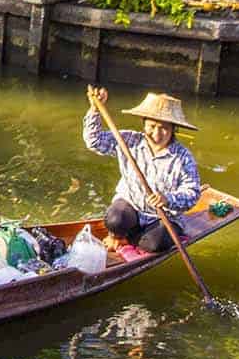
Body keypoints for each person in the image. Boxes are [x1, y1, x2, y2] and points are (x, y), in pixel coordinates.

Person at [83, 86, 201, 262]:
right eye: (151, 126)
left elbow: (192, 193)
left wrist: (168, 199)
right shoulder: (130, 141)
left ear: (173, 130)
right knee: (115, 220)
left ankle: (130, 239)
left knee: (155, 244)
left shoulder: (182, 157)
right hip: (131, 206)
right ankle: (119, 235)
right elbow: (94, 141)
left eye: (164, 128)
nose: (156, 134)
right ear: (144, 123)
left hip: (163, 216)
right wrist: (94, 109)